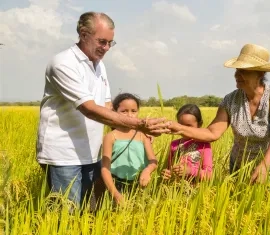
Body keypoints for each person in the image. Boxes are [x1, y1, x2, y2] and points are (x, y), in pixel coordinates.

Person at [36, 11, 168, 208]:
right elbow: (89, 109)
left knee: (90, 209)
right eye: (102, 41)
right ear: (83, 34)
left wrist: (136, 131)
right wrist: (140, 124)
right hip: (63, 154)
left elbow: (107, 107)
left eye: (110, 43)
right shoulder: (63, 63)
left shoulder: (99, 66)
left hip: (90, 153)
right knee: (66, 213)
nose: (106, 48)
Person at [167, 43, 270, 183]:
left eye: (244, 71)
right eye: (237, 70)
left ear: (260, 73)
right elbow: (211, 133)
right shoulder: (231, 100)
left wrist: (264, 165)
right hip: (238, 167)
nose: (237, 75)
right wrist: (178, 128)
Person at [101, 93, 158, 205]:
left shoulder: (143, 135)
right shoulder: (111, 137)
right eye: (124, 111)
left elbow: (153, 161)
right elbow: (105, 169)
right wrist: (115, 194)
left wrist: (147, 171)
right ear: (115, 112)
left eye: (133, 111)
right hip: (115, 185)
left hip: (140, 184)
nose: (129, 115)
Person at [162, 104, 213, 182]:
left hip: (196, 191)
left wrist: (189, 171)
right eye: (180, 125)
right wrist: (167, 174)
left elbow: (209, 175)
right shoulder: (174, 145)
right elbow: (169, 168)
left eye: (188, 126)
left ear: (199, 124)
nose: (184, 129)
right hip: (175, 191)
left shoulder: (204, 145)